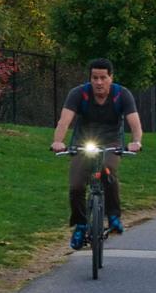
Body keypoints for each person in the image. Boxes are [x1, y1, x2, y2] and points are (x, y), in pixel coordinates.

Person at [52, 58, 143, 249]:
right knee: (76, 185)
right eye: (95, 78)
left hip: (111, 142)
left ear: (111, 78)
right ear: (90, 79)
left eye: (103, 78)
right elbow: (64, 121)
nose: (99, 82)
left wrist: (136, 142)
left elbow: (135, 123)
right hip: (83, 142)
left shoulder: (122, 95)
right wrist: (58, 141)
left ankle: (113, 216)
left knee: (108, 170)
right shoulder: (78, 94)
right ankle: (80, 224)